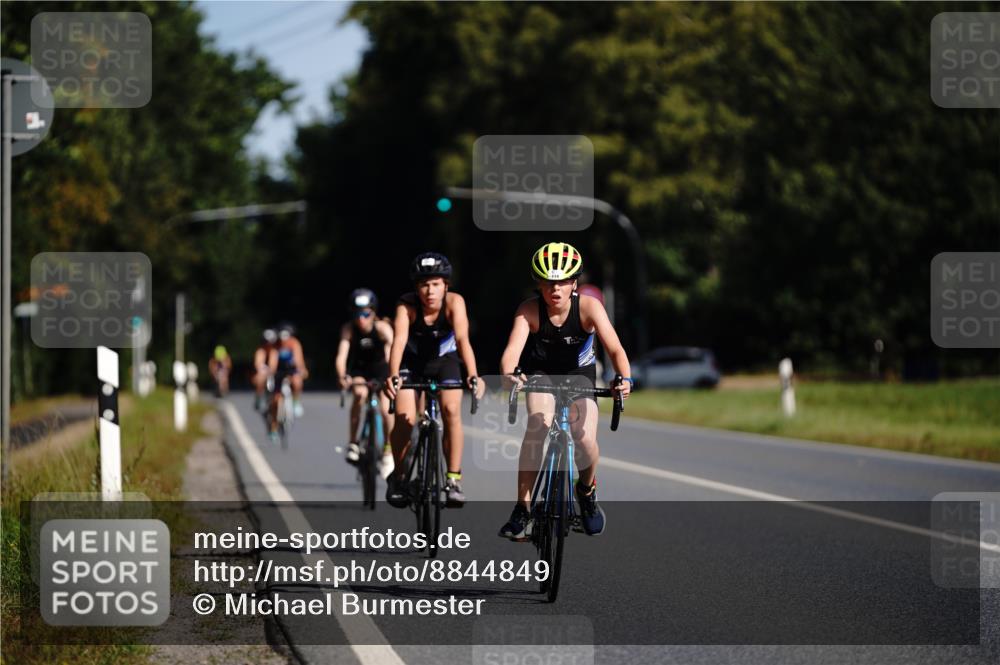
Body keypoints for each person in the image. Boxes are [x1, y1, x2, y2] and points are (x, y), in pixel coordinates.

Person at [498, 242, 632, 539]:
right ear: (539, 284)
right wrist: (509, 375)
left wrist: (625, 379)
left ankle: (586, 491)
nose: (554, 288)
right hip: (542, 376)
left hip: (579, 377)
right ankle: (522, 508)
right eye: (547, 282)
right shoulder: (529, 310)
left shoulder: (589, 307)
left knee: (584, 438)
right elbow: (512, 352)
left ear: (574, 283)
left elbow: (615, 349)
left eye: (561, 282)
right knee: (538, 426)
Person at [383, 252, 484, 508]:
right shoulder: (406, 305)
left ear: (446, 285)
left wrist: (473, 374)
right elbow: (399, 341)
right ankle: (399, 476)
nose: (430, 291)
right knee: (405, 418)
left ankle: (453, 479)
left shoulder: (455, 303)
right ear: (416, 287)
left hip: (444, 362)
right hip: (411, 363)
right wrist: (393, 375)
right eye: (424, 284)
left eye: (436, 284)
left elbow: (462, 340)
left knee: (451, 410)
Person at [335, 288, 395, 477]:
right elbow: (341, 356)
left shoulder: (383, 328)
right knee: (359, 394)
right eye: (357, 314)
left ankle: (388, 449)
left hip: (381, 369)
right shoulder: (349, 329)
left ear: (373, 313)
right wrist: (342, 376)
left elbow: (392, 354)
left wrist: (392, 375)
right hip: (360, 370)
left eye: (366, 314)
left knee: (386, 409)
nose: (361, 319)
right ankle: (353, 443)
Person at [268, 322, 309, 420]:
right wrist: (271, 372)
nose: (284, 340)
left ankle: (295, 401)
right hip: (279, 371)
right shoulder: (275, 346)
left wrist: (301, 369)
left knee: (297, 382)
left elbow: (298, 359)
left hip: (291, 369)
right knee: (276, 399)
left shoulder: (294, 343)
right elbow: (273, 361)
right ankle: (274, 424)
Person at [252, 329, 277, 412]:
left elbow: (273, 366)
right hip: (263, 373)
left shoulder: (274, 352)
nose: (268, 344)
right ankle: (258, 397)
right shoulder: (260, 351)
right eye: (266, 342)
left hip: (272, 374)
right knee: (260, 378)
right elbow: (258, 364)